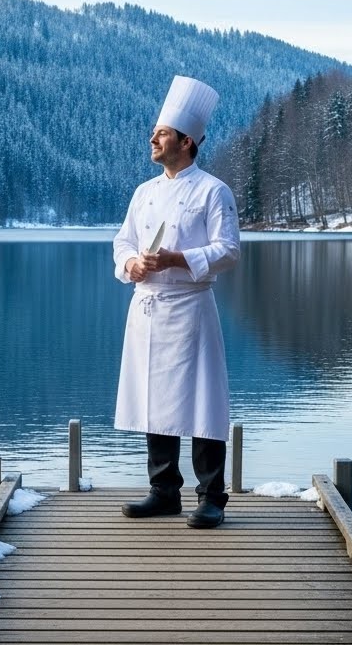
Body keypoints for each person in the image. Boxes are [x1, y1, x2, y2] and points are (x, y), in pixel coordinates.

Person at [112, 75, 241, 529]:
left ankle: (211, 496)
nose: (152, 139)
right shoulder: (144, 193)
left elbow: (228, 250)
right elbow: (122, 242)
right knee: (153, 397)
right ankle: (164, 490)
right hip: (148, 307)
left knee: (204, 399)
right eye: (154, 132)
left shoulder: (213, 191)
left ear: (186, 142)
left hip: (190, 307)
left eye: (162, 133)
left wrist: (176, 259)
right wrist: (132, 265)